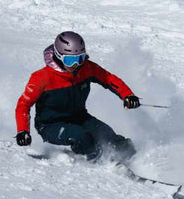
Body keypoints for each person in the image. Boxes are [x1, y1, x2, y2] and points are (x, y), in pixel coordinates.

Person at [15, 31, 141, 162]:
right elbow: (23, 105)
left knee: (106, 133)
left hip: (80, 117)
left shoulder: (85, 68)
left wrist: (127, 95)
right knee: (81, 137)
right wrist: (23, 131)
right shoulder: (42, 78)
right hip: (50, 125)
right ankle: (99, 161)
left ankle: (134, 157)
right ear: (58, 56)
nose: (76, 65)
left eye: (80, 58)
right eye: (70, 60)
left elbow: (108, 78)